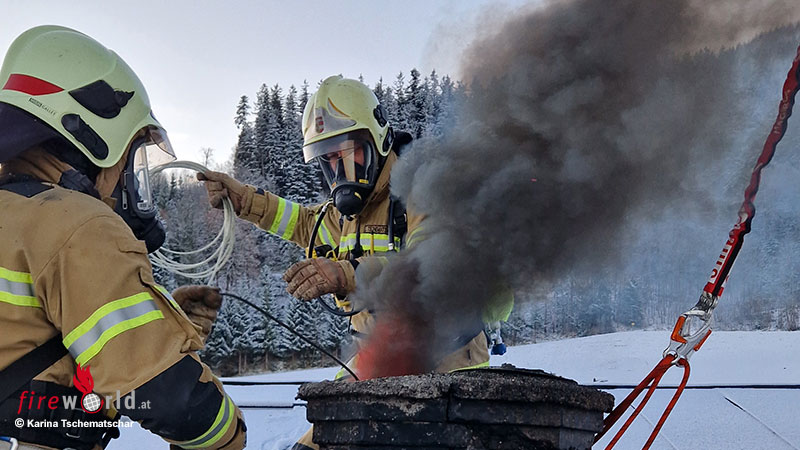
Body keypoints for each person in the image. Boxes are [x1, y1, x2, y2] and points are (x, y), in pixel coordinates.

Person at [200, 75, 507, 450]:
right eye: (328, 160)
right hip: (375, 365)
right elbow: (302, 222)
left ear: (377, 140)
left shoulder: (424, 188)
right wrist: (245, 200)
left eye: (347, 153)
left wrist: (349, 274)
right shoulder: (347, 213)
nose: (339, 170)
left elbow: (430, 268)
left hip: (445, 373)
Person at [0, 26, 245, 450]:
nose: (130, 178)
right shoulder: (78, 224)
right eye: (132, 156)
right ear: (92, 137)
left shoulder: (17, 215)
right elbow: (175, 403)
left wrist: (155, 320)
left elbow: (36, 355)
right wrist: (230, 435)